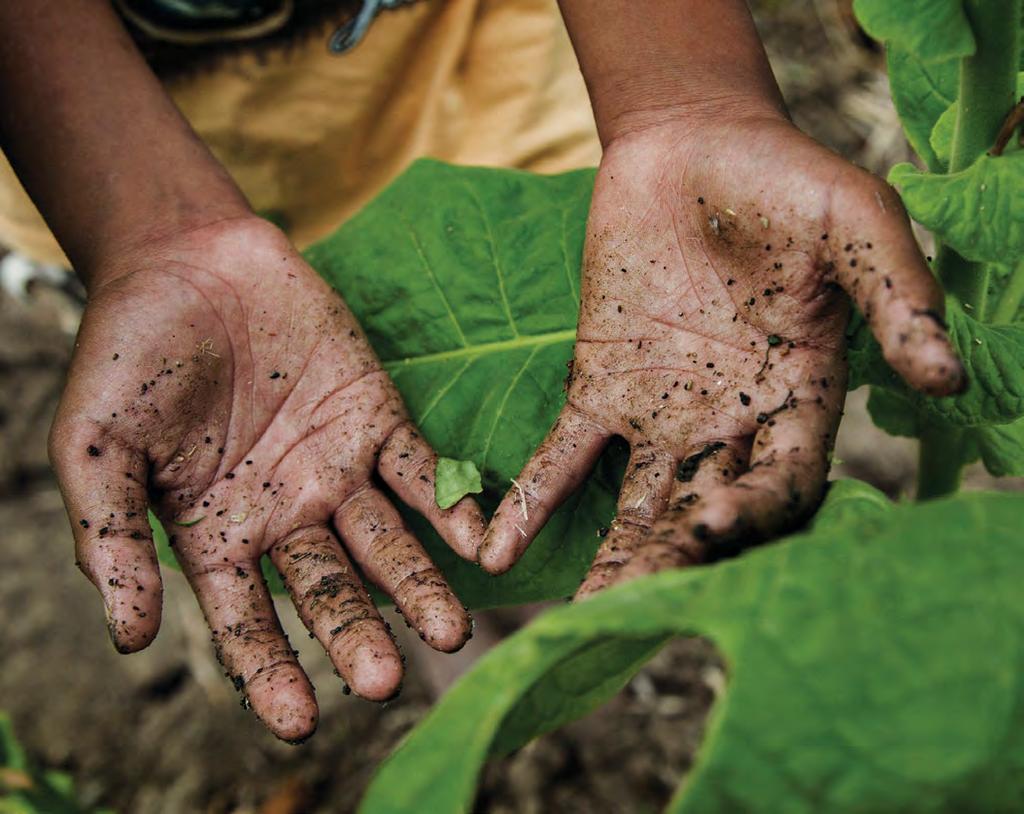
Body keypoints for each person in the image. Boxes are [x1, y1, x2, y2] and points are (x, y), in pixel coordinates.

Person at [0, 0, 963, 742]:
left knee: (564, 325)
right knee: (321, 406)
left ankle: (493, 589)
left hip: (468, 38)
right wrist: (146, 228)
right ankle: (466, 602)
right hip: (91, 94)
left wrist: (685, 94)